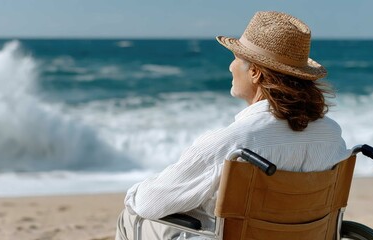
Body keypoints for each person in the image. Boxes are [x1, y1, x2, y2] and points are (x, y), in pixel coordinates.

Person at [116, 11, 351, 240]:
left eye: (236, 58)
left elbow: (148, 203)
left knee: (132, 216)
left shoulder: (234, 143)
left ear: (255, 73)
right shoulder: (331, 135)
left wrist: (136, 192)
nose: (230, 66)